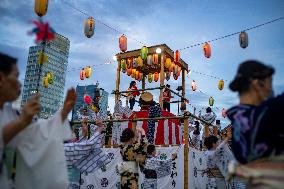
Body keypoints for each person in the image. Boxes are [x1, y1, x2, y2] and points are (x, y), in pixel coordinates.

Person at [0, 53, 76, 189]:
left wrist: (63, 112)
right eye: (16, 76)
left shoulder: (9, 113)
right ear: (1, 78)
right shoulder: (15, 116)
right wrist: (22, 121)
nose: (19, 82)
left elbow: (36, 133)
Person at [226, 60, 283, 164]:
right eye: (269, 84)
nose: (271, 90)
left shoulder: (237, 121)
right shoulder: (264, 114)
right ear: (257, 84)